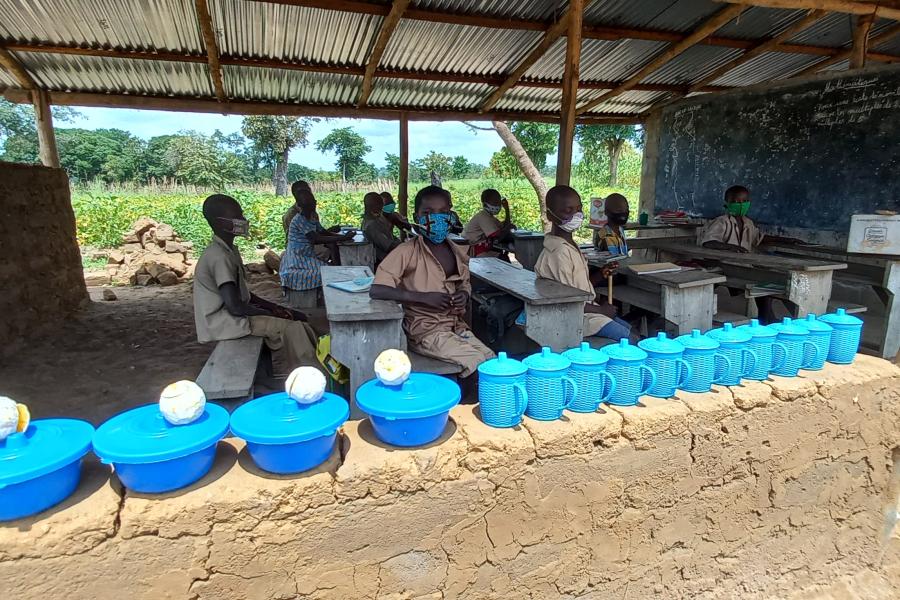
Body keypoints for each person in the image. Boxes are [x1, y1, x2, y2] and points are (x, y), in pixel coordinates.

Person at [370, 186, 495, 390]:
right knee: (478, 363)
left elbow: (464, 284)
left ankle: (474, 397)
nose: (436, 219)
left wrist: (463, 294)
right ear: (416, 217)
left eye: (443, 213)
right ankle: (469, 404)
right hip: (425, 332)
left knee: (491, 359)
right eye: (428, 213)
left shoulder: (457, 250)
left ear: (451, 215)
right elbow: (377, 290)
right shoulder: (406, 252)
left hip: (456, 327)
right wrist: (422, 297)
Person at [193, 194, 319, 370]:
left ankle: (306, 369)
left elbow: (244, 296)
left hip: (233, 318)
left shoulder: (227, 250)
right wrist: (272, 314)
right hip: (226, 323)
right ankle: (310, 375)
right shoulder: (219, 256)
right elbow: (235, 307)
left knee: (300, 319)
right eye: (237, 217)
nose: (243, 220)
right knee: (295, 330)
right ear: (220, 222)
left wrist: (275, 308)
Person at [534, 185, 637, 342]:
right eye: (568, 211)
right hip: (576, 319)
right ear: (550, 215)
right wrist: (601, 310)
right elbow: (569, 301)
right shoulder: (559, 253)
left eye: (579, 209)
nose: (576, 215)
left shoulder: (569, 245)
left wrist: (600, 275)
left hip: (587, 312)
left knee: (630, 330)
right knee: (631, 339)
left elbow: (577, 286)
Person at [280, 183, 355, 306]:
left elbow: (322, 231)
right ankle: (326, 298)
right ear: (300, 206)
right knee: (327, 272)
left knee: (329, 269)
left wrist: (343, 237)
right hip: (298, 259)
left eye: (312, 202)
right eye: (308, 204)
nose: (312, 205)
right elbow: (316, 238)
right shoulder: (299, 219)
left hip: (307, 255)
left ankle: (328, 294)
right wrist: (343, 237)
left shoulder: (312, 216)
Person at [700, 185, 764, 253]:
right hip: (724, 261)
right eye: (735, 202)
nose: (741, 204)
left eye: (745, 201)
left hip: (743, 262)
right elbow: (708, 242)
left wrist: (776, 239)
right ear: (727, 204)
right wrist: (731, 247)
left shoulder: (749, 223)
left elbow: (757, 238)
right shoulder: (722, 221)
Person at [463, 189, 515, 257]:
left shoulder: (490, 217)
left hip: (486, 249)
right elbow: (498, 237)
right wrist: (508, 228)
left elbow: (505, 226)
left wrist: (507, 209)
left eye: (499, 201)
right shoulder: (483, 216)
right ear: (485, 203)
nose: (498, 204)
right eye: (495, 202)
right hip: (479, 252)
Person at [361, 191, 401, 266]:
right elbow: (388, 245)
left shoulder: (370, 220)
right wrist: (406, 246)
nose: (382, 206)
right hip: (385, 261)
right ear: (375, 206)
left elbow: (388, 236)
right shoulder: (372, 225)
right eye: (380, 204)